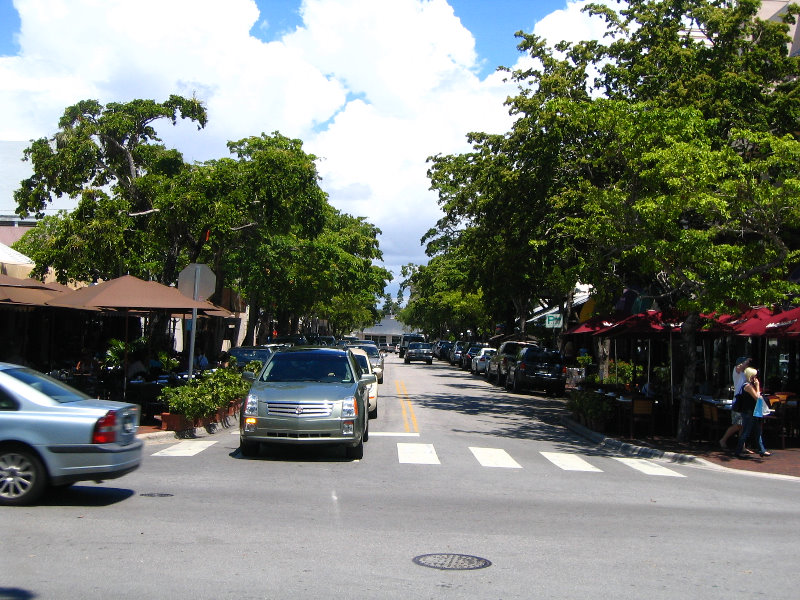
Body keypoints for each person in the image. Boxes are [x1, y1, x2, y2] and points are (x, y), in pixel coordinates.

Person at [734, 367, 771, 458]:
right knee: (746, 432)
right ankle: (738, 451)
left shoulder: (749, 385)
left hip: (753, 411)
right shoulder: (748, 386)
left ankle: (762, 450)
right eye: (754, 376)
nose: (756, 378)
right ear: (751, 376)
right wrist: (758, 387)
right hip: (748, 412)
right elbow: (757, 398)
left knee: (758, 431)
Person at [720, 356, 752, 452]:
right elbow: (739, 367)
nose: (747, 365)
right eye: (746, 363)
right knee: (738, 424)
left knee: (743, 425)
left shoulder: (745, 374)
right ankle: (723, 440)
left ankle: (742, 445)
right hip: (738, 402)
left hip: (744, 402)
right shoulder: (737, 371)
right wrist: (746, 361)